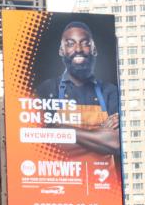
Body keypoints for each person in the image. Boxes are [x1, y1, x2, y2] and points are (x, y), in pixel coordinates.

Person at [34, 21, 120, 158]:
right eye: (70, 43)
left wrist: (62, 129)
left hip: (103, 178)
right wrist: (100, 134)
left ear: (94, 50)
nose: (78, 49)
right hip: (60, 178)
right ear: (61, 51)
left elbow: (115, 142)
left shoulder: (109, 92)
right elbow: (40, 140)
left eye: (85, 43)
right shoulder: (47, 89)